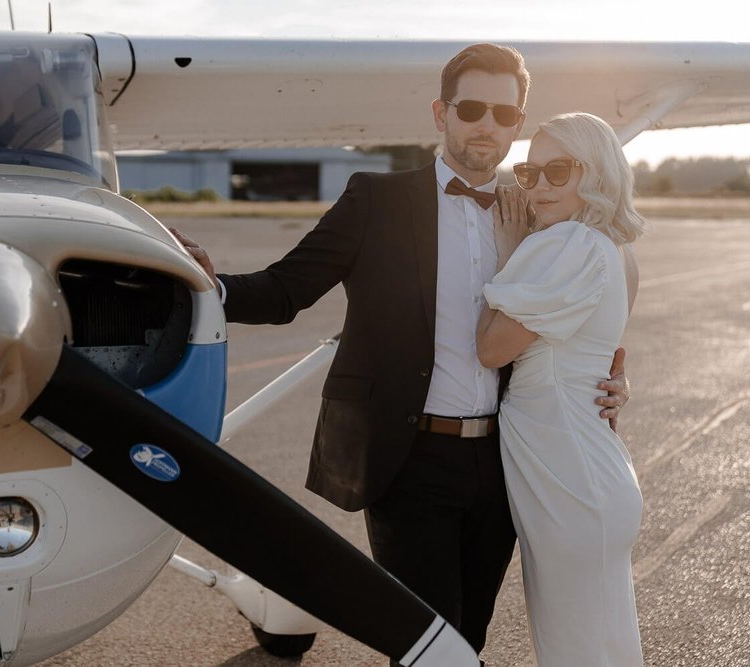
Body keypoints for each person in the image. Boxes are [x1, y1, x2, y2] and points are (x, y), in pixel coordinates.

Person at [173, 45, 630, 658]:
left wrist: (613, 381)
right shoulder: (375, 200)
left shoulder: (538, 215)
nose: (486, 125)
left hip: (502, 463)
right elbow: (285, 291)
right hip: (407, 457)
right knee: (427, 647)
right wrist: (207, 285)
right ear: (441, 112)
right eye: (471, 108)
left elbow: (580, 318)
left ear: (518, 124)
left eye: (504, 113)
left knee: (469, 642)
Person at [476, 111, 646, 666]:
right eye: (529, 174)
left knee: (575, 653)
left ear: (594, 173)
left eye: (559, 171)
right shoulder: (616, 250)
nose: (539, 186)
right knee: (602, 650)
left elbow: (491, 348)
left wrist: (507, 255)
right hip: (591, 477)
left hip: (570, 484)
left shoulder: (566, 242)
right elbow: (600, 355)